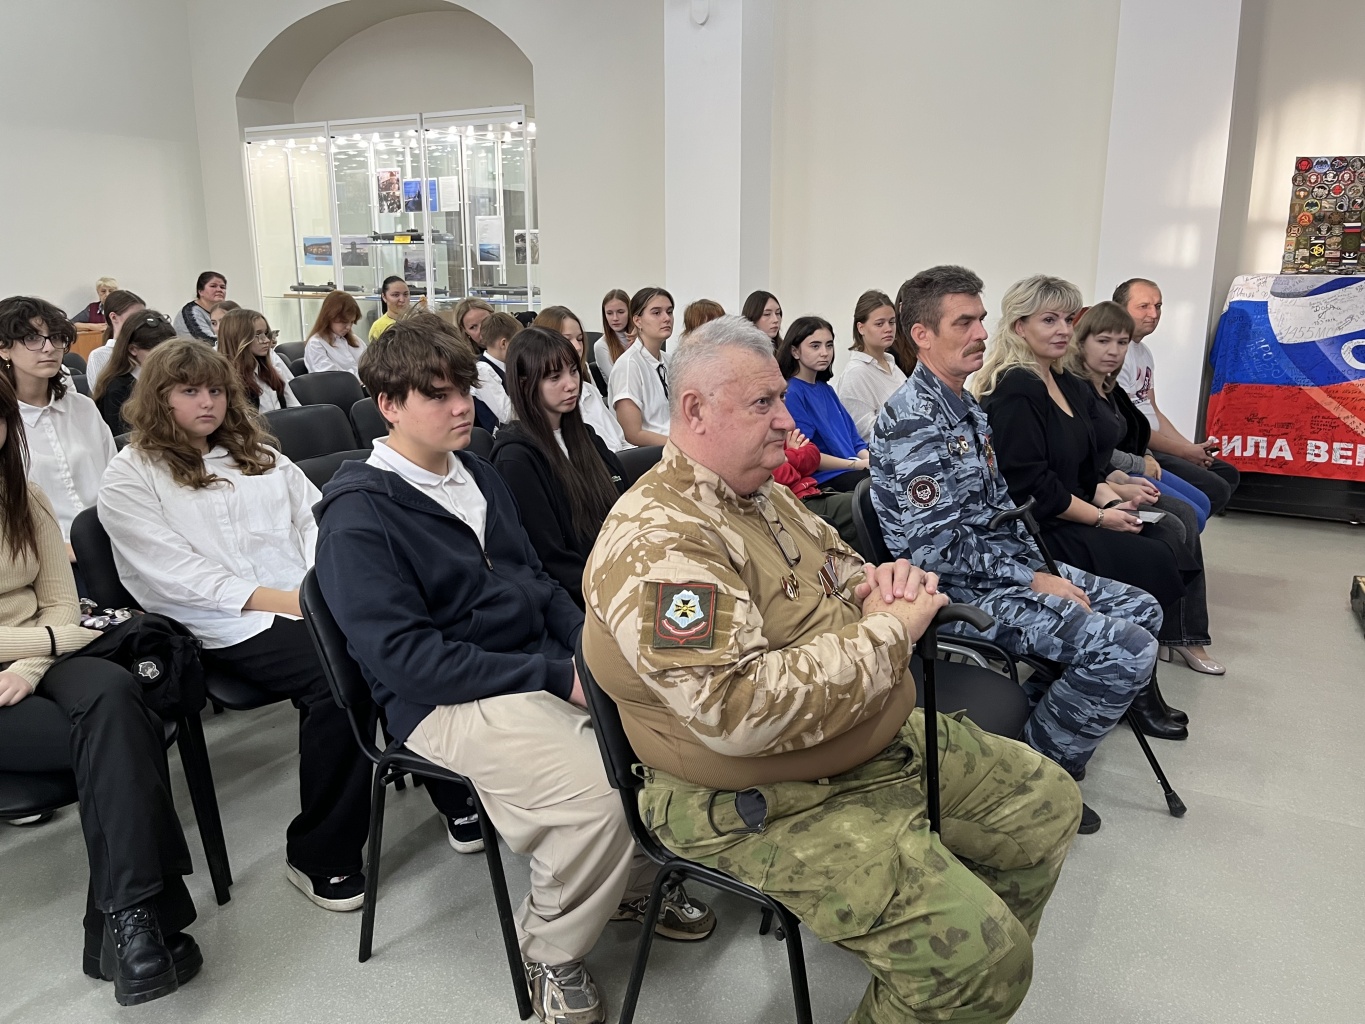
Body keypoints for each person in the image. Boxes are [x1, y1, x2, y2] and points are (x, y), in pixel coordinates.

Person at [583, 314, 1081, 1024]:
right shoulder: (662, 545)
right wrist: (887, 631)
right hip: (753, 798)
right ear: (692, 409)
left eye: (780, 399)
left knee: (1045, 805)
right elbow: (735, 709)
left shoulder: (762, 495)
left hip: (862, 742)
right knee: (978, 961)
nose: (786, 421)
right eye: (762, 404)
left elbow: (842, 568)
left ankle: (948, 996)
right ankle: (959, 985)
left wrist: (885, 585)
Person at [314, 314, 714, 1024]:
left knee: (656, 725)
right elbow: (408, 660)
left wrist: (591, 652)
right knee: (597, 791)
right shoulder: (357, 518)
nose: (461, 405)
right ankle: (550, 951)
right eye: (436, 395)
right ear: (389, 406)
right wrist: (550, 676)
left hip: (525, 665)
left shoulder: (478, 475)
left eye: (464, 387)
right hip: (437, 701)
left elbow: (534, 581)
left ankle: (624, 882)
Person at [871, 267, 1173, 834]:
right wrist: (1038, 582)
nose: (981, 332)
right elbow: (938, 552)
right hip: (957, 592)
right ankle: (1036, 784)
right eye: (964, 322)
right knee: (1127, 650)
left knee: (1142, 609)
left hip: (1003, 569)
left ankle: (1033, 741)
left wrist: (1040, 565)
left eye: (981, 319)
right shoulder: (915, 421)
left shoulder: (962, 405)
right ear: (922, 335)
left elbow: (997, 511)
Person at [98, 339, 374, 914]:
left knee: (389, 640)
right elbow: (170, 573)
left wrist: (321, 587)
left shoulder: (258, 453)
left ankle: (452, 790)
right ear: (158, 398)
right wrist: (286, 599)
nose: (208, 403)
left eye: (217, 390)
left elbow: (313, 517)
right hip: (218, 623)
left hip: (305, 599)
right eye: (189, 392)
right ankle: (320, 854)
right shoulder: (131, 475)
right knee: (340, 674)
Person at [0, 371, 202, 1007]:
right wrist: (43, 650)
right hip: (36, 655)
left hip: (42, 655)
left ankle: (125, 923)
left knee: (117, 697)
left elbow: (63, 608)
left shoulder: (21, 496)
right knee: (120, 738)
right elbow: (58, 632)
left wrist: (32, 663)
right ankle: (139, 927)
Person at [969, 275, 1189, 741]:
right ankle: (1128, 689)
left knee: (1166, 531)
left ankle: (1115, 684)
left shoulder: (1066, 381)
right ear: (1019, 325)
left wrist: (1110, 493)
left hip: (1075, 506)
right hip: (1040, 528)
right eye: (1049, 320)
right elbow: (1032, 487)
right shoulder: (1016, 388)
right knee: (1152, 556)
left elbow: (1088, 460)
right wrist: (1101, 515)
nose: (1063, 330)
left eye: (1068, 319)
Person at [1064, 302, 1223, 674]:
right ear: (1081, 341)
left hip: (1113, 480)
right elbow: (1084, 461)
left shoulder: (1109, 386)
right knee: (1174, 521)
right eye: (1104, 340)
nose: (1113, 350)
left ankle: (1180, 631)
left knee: (1192, 508)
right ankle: (1180, 633)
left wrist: (1122, 477)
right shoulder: (1073, 389)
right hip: (1091, 495)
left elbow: (1122, 437)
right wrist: (1118, 481)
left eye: (1121, 342)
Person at [492, 326, 626, 607]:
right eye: (555, 377)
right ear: (525, 383)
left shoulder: (586, 437)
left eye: (573, 371)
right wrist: (615, 592)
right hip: (585, 599)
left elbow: (625, 509)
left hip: (623, 573)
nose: (571, 384)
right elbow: (551, 560)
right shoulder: (516, 460)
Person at [0, 297, 116, 576]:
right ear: (3, 349)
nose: (49, 348)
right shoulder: (4, 424)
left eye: (55, 338)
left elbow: (116, 482)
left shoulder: (83, 408)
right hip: (41, 561)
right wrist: (61, 548)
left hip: (112, 547)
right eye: (32, 338)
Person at [1115, 278, 1240, 515]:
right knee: (1216, 488)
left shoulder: (1144, 352)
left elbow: (1154, 411)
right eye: (1144, 306)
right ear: (1120, 309)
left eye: (1158, 306)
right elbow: (1134, 427)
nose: (1154, 314)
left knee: (1226, 473)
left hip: (1155, 442)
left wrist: (1191, 448)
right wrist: (1182, 452)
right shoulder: (1117, 354)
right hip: (1140, 447)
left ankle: (1187, 532)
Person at [777, 315, 869, 491]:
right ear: (795, 351)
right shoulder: (792, 392)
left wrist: (870, 461)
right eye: (815, 346)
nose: (825, 353)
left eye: (829, 345)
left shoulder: (826, 389)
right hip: (826, 478)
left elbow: (855, 441)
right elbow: (808, 453)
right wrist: (857, 465)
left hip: (852, 470)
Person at [534, 305, 630, 452]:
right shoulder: (546, 402)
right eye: (567, 339)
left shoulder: (589, 390)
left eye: (580, 339)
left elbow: (620, 441)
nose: (578, 347)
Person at [835, 289, 911, 439]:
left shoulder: (891, 364)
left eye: (891, 322)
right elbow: (864, 431)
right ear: (861, 328)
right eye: (879, 324)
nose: (888, 329)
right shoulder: (856, 373)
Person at [771, 427, 859, 546]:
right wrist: (794, 455)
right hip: (794, 503)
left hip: (815, 492)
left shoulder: (777, 424)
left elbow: (814, 455)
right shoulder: (749, 438)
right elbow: (782, 477)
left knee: (867, 494)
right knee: (862, 502)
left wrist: (788, 458)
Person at [608, 286, 673, 447]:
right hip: (649, 455)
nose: (666, 318)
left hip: (674, 446)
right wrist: (681, 446)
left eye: (669, 312)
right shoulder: (629, 366)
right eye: (656, 313)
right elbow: (632, 434)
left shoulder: (669, 360)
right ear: (637, 320)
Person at [93, 310, 176, 436]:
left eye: (171, 350)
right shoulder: (116, 390)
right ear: (133, 350)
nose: (166, 358)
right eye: (156, 352)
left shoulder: (174, 379)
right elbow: (122, 441)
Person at [217, 309, 299, 413]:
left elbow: (296, 409)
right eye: (258, 335)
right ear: (238, 338)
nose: (266, 340)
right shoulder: (225, 382)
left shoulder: (274, 373)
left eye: (266, 333)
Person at [85, 289, 146, 384]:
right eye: (134, 317)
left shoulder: (145, 350)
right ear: (113, 317)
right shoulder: (99, 355)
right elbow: (100, 394)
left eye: (143, 317)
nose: (141, 322)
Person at [470, 310, 519, 429]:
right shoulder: (483, 371)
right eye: (517, 344)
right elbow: (507, 415)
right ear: (504, 344)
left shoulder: (506, 366)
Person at [304, 291, 365, 376]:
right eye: (344, 322)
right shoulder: (316, 344)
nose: (348, 327)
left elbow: (372, 366)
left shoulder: (356, 341)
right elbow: (331, 377)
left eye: (351, 322)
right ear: (329, 318)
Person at [172, 271, 226, 342]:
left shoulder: (223, 310)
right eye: (213, 286)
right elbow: (207, 341)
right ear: (200, 291)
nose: (219, 290)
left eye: (222, 287)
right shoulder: (191, 312)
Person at [595, 288, 632, 375]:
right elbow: (618, 380)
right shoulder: (601, 346)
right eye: (609, 313)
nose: (615, 318)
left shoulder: (641, 339)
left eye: (620, 312)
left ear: (630, 312)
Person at [368, 276, 413, 343]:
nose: (402, 300)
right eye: (395, 295)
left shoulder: (415, 322)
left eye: (405, 294)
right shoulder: (378, 327)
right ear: (384, 297)